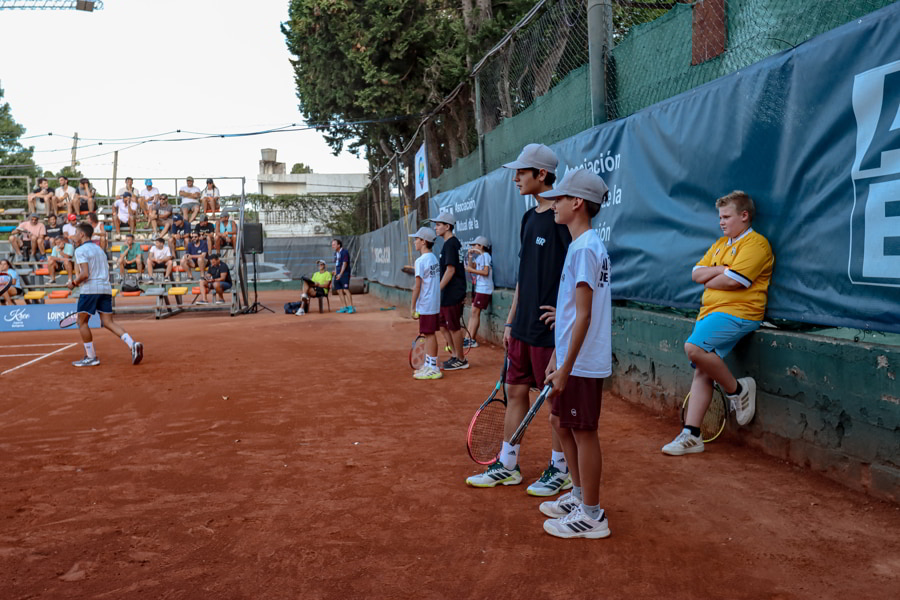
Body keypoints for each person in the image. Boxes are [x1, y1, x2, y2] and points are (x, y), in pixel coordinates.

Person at [466, 143, 572, 496]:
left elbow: (574, 274)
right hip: (523, 325)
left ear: (542, 174)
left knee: (553, 400)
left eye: (521, 172)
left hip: (549, 327)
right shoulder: (529, 219)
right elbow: (525, 277)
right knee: (514, 391)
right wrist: (511, 321)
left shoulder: (562, 218)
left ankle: (561, 469)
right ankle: (508, 465)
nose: (516, 179)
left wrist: (565, 314)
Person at [527, 168, 613, 539]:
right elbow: (569, 314)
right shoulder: (580, 246)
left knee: (583, 431)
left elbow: (584, 315)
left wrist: (567, 366)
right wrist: (557, 357)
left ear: (577, 203)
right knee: (560, 423)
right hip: (571, 358)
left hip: (582, 362)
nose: (553, 203)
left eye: (559, 198)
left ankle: (592, 515)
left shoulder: (586, 248)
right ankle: (579, 495)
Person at [662, 190, 774, 455]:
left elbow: (735, 281)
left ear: (744, 216)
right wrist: (721, 270)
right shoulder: (720, 244)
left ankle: (737, 390)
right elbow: (695, 273)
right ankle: (692, 435)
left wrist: (715, 277)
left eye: (726, 217)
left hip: (740, 312)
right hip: (711, 314)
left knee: (694, 349)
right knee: (703, 369)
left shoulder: (756, 244)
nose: (721, 222)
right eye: (720, 217)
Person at [66, 223, 143, 367]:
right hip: (106, 288)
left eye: (76, 233)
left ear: (82, 234)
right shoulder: (100, 250)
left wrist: (74, 283)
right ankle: (133, 344)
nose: (74, 236)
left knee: (81, 322)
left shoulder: (80, 250)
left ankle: (91, 357)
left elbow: (85, 274)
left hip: (90, 290)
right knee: (108, 322)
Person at [428, 213, 468, 370]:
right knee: (443, 325)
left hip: (453, 292)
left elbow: (450, 270)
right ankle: (454, 355)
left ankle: (461, 359)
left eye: (438, 225)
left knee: (453, 326)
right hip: (447, 293)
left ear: (447, 226)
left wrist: (437, 289)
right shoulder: (449, 244)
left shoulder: (451, 244)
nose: (435, 228)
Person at [409, 226, 442, 380]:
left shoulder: (421, 261)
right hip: (432, 302)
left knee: (430, 334)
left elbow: (417, 286)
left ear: (423, 242)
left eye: (416, 239)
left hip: (426, 303)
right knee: (429, 334)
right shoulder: (433, 258)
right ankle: (429, 365)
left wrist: (412, 307)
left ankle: (433, 367)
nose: (414, 242)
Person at [464, 235, 493, 349]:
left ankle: (472, 339)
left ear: (481, 246)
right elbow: (471, 266)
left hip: (485, 289)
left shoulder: (486, 256)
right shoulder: (480, 257)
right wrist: (470, 257)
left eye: (475, 245)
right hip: (479, 288)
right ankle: (467, 338)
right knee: (473, 312)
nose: (473, 247)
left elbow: (485, 272)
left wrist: (471, 270)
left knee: (475, 312)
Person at [331, 238, 354, 313]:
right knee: (339, 290)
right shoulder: (335, 253)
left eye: (334, 244)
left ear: (339, 245)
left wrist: (340, 274)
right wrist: (335, 271)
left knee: (345, 290)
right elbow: (336, 264)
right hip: (337, 274)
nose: (332, 246)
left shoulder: (344, 252)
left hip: (344, 274)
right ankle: (344, 307)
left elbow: (345, 264)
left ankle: (351, 307)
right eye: (332, 244)